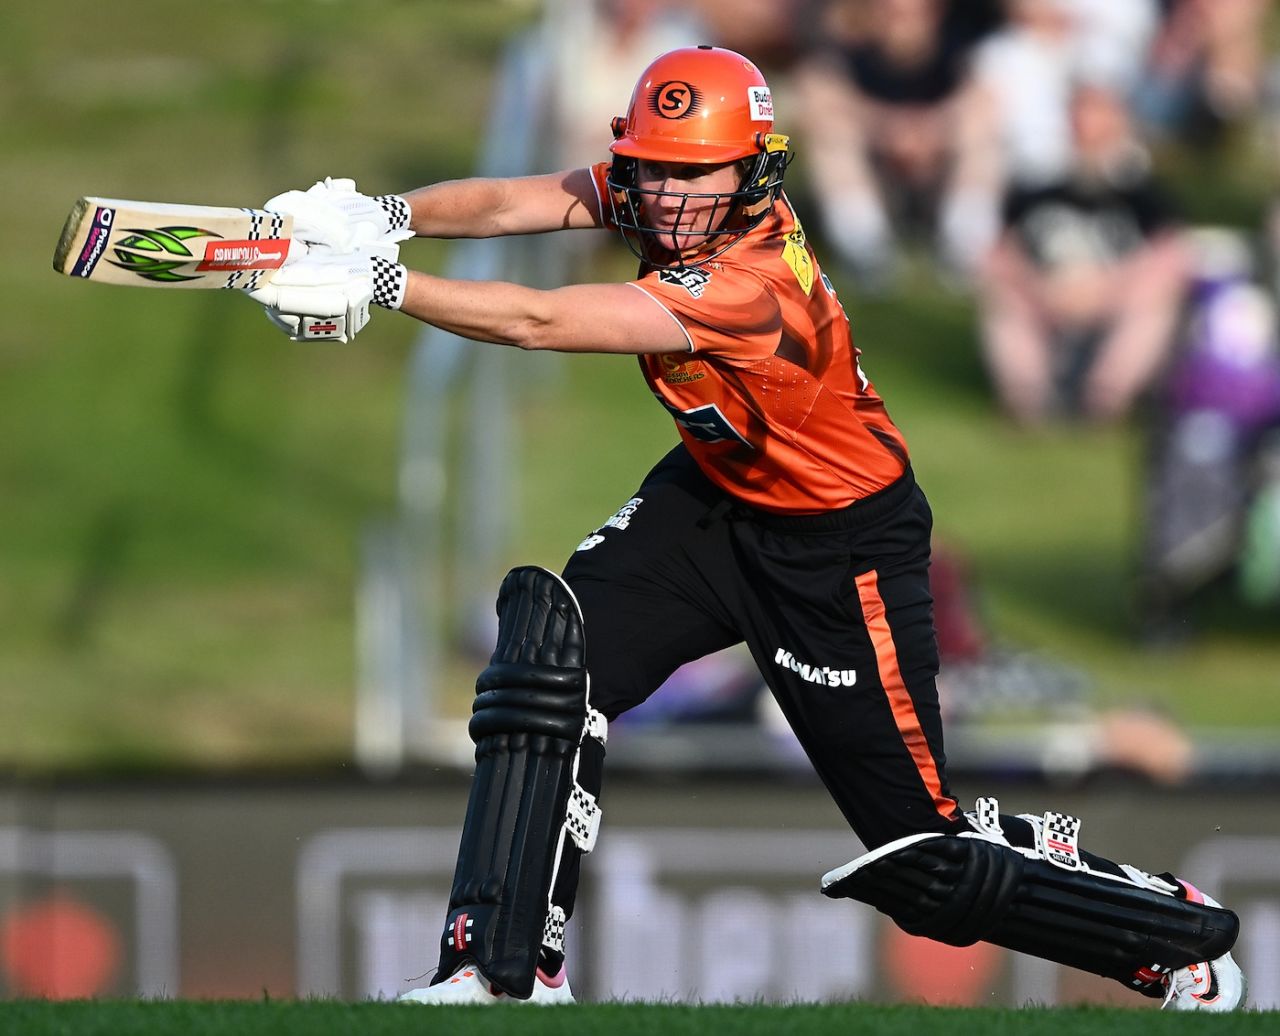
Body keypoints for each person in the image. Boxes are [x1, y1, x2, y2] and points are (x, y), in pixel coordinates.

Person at [250, 46, 1246, 1010]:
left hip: (838, 548)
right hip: (716, 498)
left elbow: (538, 321)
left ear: (752, 174)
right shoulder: (657, 190)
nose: (668, 199)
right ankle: (501, 974)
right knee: (551, 665)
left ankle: (1174, 941)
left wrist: (379, 285)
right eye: (652, 172)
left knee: (922, 866)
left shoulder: (749, 282)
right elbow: (521, 201)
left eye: (696, 178)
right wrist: (375, 214)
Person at [976, 77, 1191, 425]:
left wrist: (1108, 289)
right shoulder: (1036, 184)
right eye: (1081, 110)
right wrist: (1038, 287)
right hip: (1044, 297)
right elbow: (997, 253)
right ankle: (1027, 400)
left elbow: (1172, 255)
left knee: (1157, 299)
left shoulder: (1142, 189)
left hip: (1115, 300)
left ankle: (1105, 399)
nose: (1087, 123)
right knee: (1003, 297)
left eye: (1099, 111)